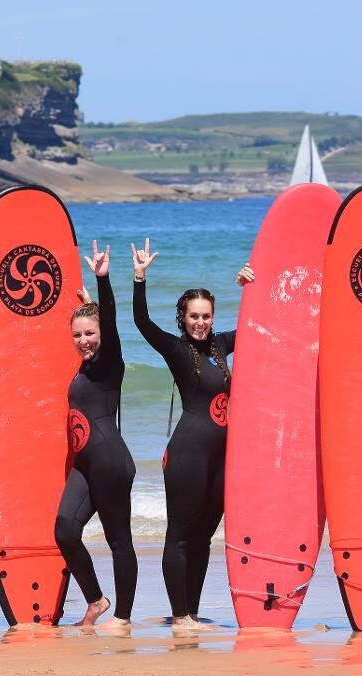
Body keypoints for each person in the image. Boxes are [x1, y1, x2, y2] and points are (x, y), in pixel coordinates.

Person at [130, 238, 250, 630]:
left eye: (206, 316)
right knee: (180, 536)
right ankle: (180, 615)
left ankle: (192, 613)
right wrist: (139, 279)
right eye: (194, 316)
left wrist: (249, 286)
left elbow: (256, 325)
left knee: (203, 538)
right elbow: (142, 323)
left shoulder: (220, 346)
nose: (201, 322)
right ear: (182, 318)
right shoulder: (177, 350)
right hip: (188, 454)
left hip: (221, 458)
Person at [54, 240, 138, 629]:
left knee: (119, 540)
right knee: (65, 530)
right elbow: (97, 323)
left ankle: (123, 617)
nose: (83, 340)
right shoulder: (86, 367)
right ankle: (96, 600)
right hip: (86, 465)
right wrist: (89, 306)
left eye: (90, 333)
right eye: (77, 335)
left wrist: (102, 281)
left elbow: (111, 322)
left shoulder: (108, 362)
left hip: (110, 463)